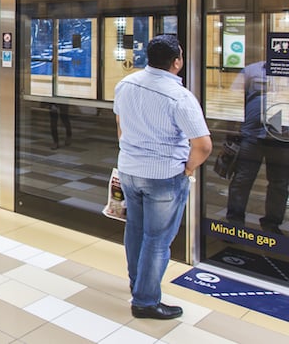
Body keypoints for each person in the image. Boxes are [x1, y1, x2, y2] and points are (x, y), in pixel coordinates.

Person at [114, 35, 212, 320]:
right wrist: (189, 169)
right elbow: (203, 145)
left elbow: (120, 126)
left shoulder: (126, 84)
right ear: (176, 62)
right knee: (157, 239)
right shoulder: (179, 97)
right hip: (163, 177)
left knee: (134, 229)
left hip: (130, 171)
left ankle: (138, 283)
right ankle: (145, 301)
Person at [226, 61, 289, 235]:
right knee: (241, 180)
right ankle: (234, 224)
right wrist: (231, 130)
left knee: (280, 184)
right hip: (251, 135)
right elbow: (235, 97)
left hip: (282, 138)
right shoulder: (251, 70)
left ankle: (272, 225)